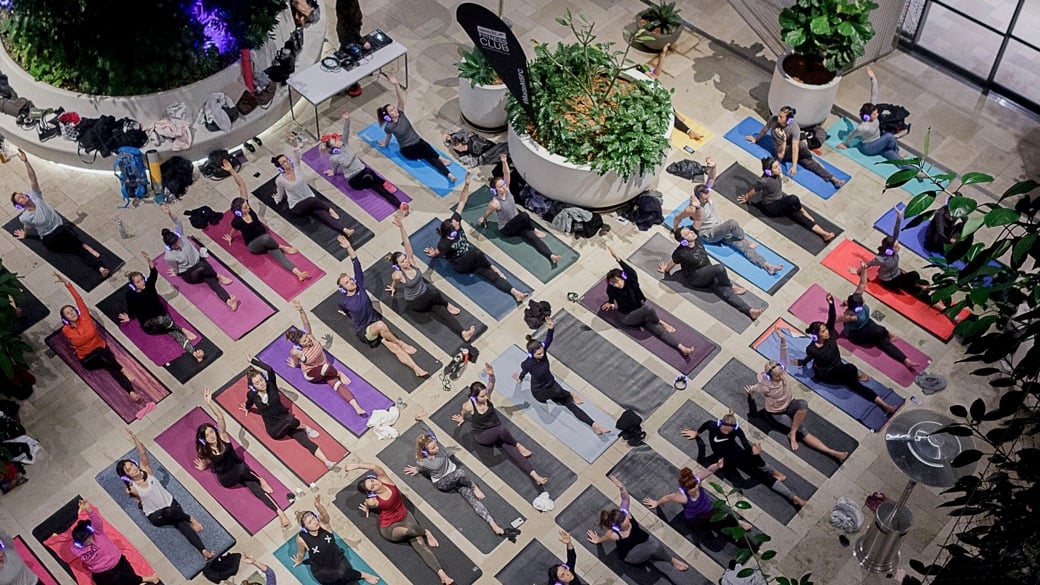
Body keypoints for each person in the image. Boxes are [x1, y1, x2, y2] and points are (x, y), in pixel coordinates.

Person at [405, 414, 519, 539]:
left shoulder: (438, 448)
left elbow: (429, 431)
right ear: (426, 452)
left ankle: (493, 524)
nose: (437, 447)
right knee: (460, 473)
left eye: (436, 445)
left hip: (456, 477)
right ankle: (474, 486)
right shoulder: (424, 462)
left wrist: (419, 421)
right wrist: (416, 469)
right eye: (433, 448)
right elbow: (421, 467)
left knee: (471, 500)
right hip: (443, 482)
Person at [424, 172, 529, 303]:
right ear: (450, 233)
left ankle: (515, 293)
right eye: (456, 227)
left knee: (493, 278)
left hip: (472, 258)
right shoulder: (444, 244)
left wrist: (467, 184)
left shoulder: (454, 220)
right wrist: (433, 253)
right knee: (476, 252)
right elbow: (439, 252)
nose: (458, 223)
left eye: (456, 223)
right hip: (461, 265)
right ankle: (492, 266)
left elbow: (462, 201)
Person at [195, 387, 291, 528]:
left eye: (211, 432)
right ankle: (259, 478)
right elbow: (205, 460)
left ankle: (280, 513)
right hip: (227, 478)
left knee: (255, 488)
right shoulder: (205, 450)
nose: (211, 436)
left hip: (240, 469)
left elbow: (220, 418)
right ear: (204, 439)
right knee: (242, 468)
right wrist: (203, 466)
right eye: (207, 435)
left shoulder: (223, 436)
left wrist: (210, 404)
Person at [347, 462, 456, 585]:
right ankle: (426, 531)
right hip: (390, 527)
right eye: (372, 487)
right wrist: (367, 507)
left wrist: (356, 465)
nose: (375, 483)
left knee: (420, 545)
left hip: (405, 516)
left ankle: (443, 575)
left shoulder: (384, 479)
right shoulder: (373, 500)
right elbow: (369, 502)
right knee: (411, 531)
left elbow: (374, 467)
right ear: (371, 492)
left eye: (372, 481)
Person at [671, 157, 784, 275]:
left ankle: (767, 265)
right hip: (709, 234)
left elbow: (711, 178)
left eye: (708, 194)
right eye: (705, 197)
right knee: (732, 223)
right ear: (699, 197)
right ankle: (744, 238)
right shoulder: (692, 208)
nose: (708, 197)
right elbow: (678, 217)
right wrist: (676, 232)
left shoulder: (707, 194)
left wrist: (713, 165)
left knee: (743, 247)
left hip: (721, 228)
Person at [336, 236, 429, 377]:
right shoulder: (344, 301)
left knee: (394, 348)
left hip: (375, 324)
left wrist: (349, 247)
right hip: (364, 332)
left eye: (350, 280)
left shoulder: (360, 286)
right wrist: (347, 315)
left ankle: (416, 369)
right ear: (343, 289)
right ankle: (401, 342)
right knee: (382, 327)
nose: (351, 282)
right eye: (347, 283)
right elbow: (345, 310)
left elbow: (356, 264)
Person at [744, 336, 851, 459]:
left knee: (803, 404)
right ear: (770, 377)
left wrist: (783, 340)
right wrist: (750, 392)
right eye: (777, 376)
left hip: (790, 403)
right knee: (802, 430)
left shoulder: (783, 372)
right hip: (776, 412)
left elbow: (784, 353)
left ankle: (792, 433)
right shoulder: (766, 386)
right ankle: (832, 452)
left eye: (781, 374)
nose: (781, 377)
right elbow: (756, 388)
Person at [117, 429, 216, 561]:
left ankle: (203, 551)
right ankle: (190, 518)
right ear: (126, 475)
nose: (133, 469)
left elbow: (142, 453)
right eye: (129, 470)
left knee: (180, 524)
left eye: (132, 465)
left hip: (170, 503)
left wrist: (135, 438)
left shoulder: (146, 469)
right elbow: (137, 500)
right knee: (170, 513)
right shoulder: (130, 489)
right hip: (156, 515)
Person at [11, 149, 110, 278]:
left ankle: (100, 267)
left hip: (62, 231)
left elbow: (33, 179)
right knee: (73, 243)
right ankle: (87, 249)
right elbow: (27, 228)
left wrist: (26, 162)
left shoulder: (37, 197)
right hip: (51, 239)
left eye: (21, 195)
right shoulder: (25, 217)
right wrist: (25, 234)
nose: (22, 197)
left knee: (76, 249)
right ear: (19, 205)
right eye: (19, 199)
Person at [795, 296, 901, 415]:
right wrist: (802, 362)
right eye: (823, 332)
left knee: (855, 380)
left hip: (839, 367)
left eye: (826, 329)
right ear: (816, 336)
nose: (827, 332)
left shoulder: (830, 334)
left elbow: (831, 317)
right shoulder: (812, 349)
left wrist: (831, 303)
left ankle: (886, 406)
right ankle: (885, 405)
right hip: (828, 374)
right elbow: (809, 357)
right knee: (851, 371)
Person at [681, 412, 808, 508]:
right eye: (724, 429)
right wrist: (696, 433)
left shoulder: (737, 430)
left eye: (728, 430)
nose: (725, 432)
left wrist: (753, 452)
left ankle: (792, 496)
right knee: (745, 480)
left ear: (734, 428)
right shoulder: (713, 425)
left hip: (736, 454)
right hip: (725, 458)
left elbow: (745, 444)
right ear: (720, 424)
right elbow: (705, 426)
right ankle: (777, 477)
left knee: (758, 466)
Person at [452, 364, 549, 486]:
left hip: (498, 432)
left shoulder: (487, 396)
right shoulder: (469, 406)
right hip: (483, 435)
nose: (485, 397)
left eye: (485, 393)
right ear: (474, 396)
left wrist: (491, 375)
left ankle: (535, 476)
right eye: (482, 396)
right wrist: (462, 418)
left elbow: (491, 384)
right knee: (502, 430)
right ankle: (518, 444)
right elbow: (464, 413)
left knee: (513, 453)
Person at [515, 316, 611, 435]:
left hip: (552, 383)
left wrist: (551, 329)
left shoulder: (542, 352)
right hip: (540, 391)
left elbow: (548, 341)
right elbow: (524, 370)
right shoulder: (528, 363)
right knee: (556, 399)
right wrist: (520, 377)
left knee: (569, 404)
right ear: (531, 354)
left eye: (542, 352)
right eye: (539, 354)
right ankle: (570, 393)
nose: (542, 354)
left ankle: (595, 425)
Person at [242, 355, 341, 469]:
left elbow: (269, 369)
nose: (261, 383)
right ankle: (305, 427)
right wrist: (247, 407)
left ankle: (327, 462)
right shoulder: (252, 395)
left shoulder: (272, 386)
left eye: (261, 380)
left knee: (305, 441)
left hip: (288, 420)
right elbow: (249, 402)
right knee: (290, 420)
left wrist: (254, 361)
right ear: (253, 386)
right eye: (257, 383)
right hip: (275, 429)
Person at [388, 215, 477, 342]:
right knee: (433, 292)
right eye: (402, 262)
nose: (406, 262)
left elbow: (407, 242)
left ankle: (463, 333)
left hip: (427, 296)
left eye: (405, 258)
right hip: (416, 302)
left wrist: (401, 227)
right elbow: (394, 280)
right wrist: (393, 287)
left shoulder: (412, 261)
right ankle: (447, 304)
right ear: (398, 266)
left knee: (443, 313)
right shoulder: (399, 275)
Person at [54, 272, 140, 402]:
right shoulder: (66, 330)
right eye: (67, 313)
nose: (71, 313)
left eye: (71, 310)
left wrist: (67, 284)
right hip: (88, 359)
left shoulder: (85, 317)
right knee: (104, 357)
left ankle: (131, 392)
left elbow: (79, 300)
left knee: (110, 366)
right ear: (65, 318)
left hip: (101, 350)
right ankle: (121, 369)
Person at [586, 476, 690, 583]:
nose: (627, 517)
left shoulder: (625, 513)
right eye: (624, 519)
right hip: (631, 554)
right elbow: (605, 537)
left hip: (643, 540)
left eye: (625, 515)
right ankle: (671, 561)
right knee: (655, 547)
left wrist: (621, 487)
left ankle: (670, 560)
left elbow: (625, 498)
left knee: (655, 546)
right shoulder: (614, 534)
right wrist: (598, 540)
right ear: (618, 526)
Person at [223, 161, 310, 282]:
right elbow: (233, 229)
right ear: (239, 210)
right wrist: (230, 237)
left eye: (247, 205)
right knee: (266, 239)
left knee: (278, 256)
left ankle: (298, 273)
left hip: (267, 241)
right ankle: (282, 247)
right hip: (254, 245)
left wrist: (232, 171)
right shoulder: (237, 221)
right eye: (245, 207)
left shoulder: (249, 210)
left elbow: (242, 185)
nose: (248, 207)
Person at [602, 246, 694, 357]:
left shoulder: (631, 281)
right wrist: (611, 302)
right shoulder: (612, 289)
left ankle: (682, 348)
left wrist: (617, 258)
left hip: (640, 313)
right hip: (627, 317)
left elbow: (630, 271)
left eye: (617, 281)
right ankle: (661, 322)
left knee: (658, 330)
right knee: (648, 309)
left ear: (623, 277)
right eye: (613, 283)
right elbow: (610, 295)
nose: (616, 285)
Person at [657, 227, 765, 320]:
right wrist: (666, 269)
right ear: (683, 240)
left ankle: (749, 311)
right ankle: (731, 286)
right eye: (687, 233)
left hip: (708, 272)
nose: (691, 232)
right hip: (696, 277)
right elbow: (674, 262)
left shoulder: (697, 240)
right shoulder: (681, 252)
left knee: (725, 292)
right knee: (719, 268)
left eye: (689, 230)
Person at [285, 299, 368, 416]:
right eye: (304, 340)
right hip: (312, 374)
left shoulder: (310, 336)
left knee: (338, 386)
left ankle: (356, 407)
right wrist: (294, 364)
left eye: (306, 337)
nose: (308, 339)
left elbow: (305, 322)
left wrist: (301, 310)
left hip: (327, 369)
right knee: (325, 367)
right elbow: (294, 358)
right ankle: (338, 373)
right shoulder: (297, 351)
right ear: (299, 344)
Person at [119, 250, 204, 363]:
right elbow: (131, 309)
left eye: (142, 280)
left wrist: (150, 262)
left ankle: (194, 353)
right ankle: (182, 329)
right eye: (138, 282)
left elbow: (153, 274)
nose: (142, 283)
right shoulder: (130, 295)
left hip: (164, 319)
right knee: (163, 321)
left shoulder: (149, 285)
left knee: (173, 332)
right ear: (134, 285)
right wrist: (129, 317)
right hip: (149, 324)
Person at [478, 153, 562, 266]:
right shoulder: (495, 203)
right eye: (500, 187)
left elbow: (506, 174)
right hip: (507, 229)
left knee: (532, 238)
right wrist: (484, 219)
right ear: (495, 190)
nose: (503, 187)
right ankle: (535, 229)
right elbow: (488, 212)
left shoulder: (507, 189)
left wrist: (504, 162)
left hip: (518, 223)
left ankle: (551, 256)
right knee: (524, 215)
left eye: (503, 185)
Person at [51, 499, 160, 585]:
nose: (88, 541)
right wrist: (60, 537)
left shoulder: (98, 533)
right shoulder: (76, 549)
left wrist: (87, 510)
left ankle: (143, 580)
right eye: (84, 541)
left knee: (122, 577)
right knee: (119, 579)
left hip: (118, 563)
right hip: (102, 573)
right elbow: (74, 538)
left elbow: (96, 520)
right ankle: (144, 580)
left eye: (88, 537)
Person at [271, 135, 357, 239]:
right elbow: (280, 194)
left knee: (323, 215)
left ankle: (344, 230)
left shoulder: (296, 168)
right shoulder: (280, 180)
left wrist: (294, 141)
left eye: (287, 160)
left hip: (310, 199)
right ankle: (330, 209)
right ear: (280, 167)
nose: (287, 163)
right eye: (283, 162)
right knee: (312, 200)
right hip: (297, 206)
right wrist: (276, 198)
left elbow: (297, 152)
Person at [377, 73, 457, 184]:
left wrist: (396, 85)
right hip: (408, 150)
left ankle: (449, 174)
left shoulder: (401, 114)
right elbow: (388, 136)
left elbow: (400, 99)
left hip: (418, 143)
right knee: (425, 147)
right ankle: (439, 158)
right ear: (388, 116)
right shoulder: (389, 126)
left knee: (429, 155)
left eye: (394, 108)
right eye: (392, 111)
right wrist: (385, 144)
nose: (395, 110)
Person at [160, 204, 239, 311]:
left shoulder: (180, 236)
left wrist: (169, 213)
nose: (177, 244)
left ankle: (228, 301)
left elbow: (178, 222)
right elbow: (176, 268)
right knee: (202, 266)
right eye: (174, 245)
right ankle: (218, 275)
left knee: (211, 281)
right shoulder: (169, 256)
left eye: (177, 241)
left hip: (200, 264)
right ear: (170, 246)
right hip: (190, 273)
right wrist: (176, 272)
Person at [323, 111, 408, 212]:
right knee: (369, 173)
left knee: (375, 184)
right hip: (354, 180)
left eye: (336, 139)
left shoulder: (344, 144)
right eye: (335, 142)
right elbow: (337, 166)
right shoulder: (334, 157)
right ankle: (384, 183)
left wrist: (347, 119)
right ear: (333, 148)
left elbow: (346, 131)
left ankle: (399, 204)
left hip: (364, 172)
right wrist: (333, 171)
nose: (338, 140)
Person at [839, 268, 920, 371]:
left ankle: (906, 360)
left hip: (866, 323)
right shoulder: (851, 316)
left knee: (879, 332)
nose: (864, 302)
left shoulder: (856, 298)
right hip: (857, 334)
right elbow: (837, 319)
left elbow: (863, 283)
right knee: (879, 333)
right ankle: (889, 337)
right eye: (861, 304)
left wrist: (864, 269)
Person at [738, 157, 836, 242]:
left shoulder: (776, 174)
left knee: (800, 217)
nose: (779, 168)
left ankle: (824, 234)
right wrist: (746, 197)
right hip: (771, 207)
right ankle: (803, 211)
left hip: (780, 202)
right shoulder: (764, 180)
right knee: (793, 199)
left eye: (778, 165)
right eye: (776, 167)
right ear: (769, 171)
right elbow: (755, 190)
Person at [642, 465, 754, 539]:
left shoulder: (697, 480)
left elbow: (709, 470)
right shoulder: (682, 497)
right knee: (713, 531)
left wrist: (718, 465)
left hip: (709, 508)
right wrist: (657, 503)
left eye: (695, 486)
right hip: (697, 517)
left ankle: (738, 523)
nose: (694, 489)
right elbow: (668, 498)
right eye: (691, 488)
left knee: (727, 516)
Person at [745, 106, 845, 188]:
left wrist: (794, 165)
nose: (778, 117)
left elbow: (795, 148)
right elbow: (765, 129)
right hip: (781, 151)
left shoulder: (794, 128)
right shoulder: (774, 119)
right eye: (779, 115)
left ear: (788, 120)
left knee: (810, 164)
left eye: (781, 117)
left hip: (793, 150)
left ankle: (833, 179)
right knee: (803, 147)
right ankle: (811, 158)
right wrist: (756, 139)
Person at [291, 496, 380, 585]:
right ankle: (355, 575)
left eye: (313, 518)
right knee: (340, 577)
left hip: (337, 558)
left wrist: (318, 505)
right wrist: (299, 560)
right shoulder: (302, 539)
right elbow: (301, 552)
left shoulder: (324, 525)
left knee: (345, 575)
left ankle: (363, 575)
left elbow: (325, 515)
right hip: (321, 569)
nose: (314, 522)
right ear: (305, 528)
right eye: (309, 522)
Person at [836, 67, 911, 164]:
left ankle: (916, 172)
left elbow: (874, 94)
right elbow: (852, 135)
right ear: (869, 115)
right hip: (869, 148)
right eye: (875, 114)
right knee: (889, 136)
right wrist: (845, 144)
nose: (877, 114)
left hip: (879, 142)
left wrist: (873, 79)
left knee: (892, 155)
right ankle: (897, 151)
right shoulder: (863, 127)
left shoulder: (872, 115)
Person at [861, 208, 930, 299]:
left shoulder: (890, 250)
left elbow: (896, 232)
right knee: (913, 275)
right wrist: (858, 271)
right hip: (889, 281)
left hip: (897, 274)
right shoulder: (881, 259)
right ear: (889, 250)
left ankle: (920, 287)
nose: (899, 247)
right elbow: (867, 264)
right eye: (896, 246)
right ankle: (921, 288)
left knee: (913, 278)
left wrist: (899, 217)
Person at [640, 43, 704, 141]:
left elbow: (657, 72)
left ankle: (676, 114)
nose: (651, 75)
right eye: (648, 74)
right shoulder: (642, 84)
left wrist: (663, 54)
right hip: (653, 103)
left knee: (667, 105)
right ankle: (689, 132)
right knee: (670, 116)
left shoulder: (649, 78)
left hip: (660, 98)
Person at [335, 0, 369, 97]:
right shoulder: (346, 7)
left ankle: (346, 82)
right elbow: (350, 28)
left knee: (346, 56)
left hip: (347, 32)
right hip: (347, 35)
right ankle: (347, 83)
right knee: (348, 59)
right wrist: (362, 41)